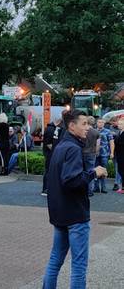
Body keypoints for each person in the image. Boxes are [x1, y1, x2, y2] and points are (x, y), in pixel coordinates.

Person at [42, 110, 108, 289]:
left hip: (60, 214)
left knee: (55, 260)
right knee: (78, 265)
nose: (88, 127)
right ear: (72, 126)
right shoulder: (72, 148)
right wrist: (94, 172)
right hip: (75, 215)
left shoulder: (61, 146)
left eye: (89, 123)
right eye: (84, 123)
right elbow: (72, 180)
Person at [42, 118, 63, 195]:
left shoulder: (51, 128)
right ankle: (46, 188)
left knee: (49, 171)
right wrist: (56, 151)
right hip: (50, 154)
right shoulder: (51, 129)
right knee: (48, 171)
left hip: (50, 153)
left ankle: (47, 188)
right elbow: (48, 144)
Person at [95, 118, 114, 194]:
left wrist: (112, 152)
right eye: (99, 122)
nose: (101, 124)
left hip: (104, 154)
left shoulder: (108, 131)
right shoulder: (93, 130)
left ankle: (104, 187)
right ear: (97, 123)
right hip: (95, 155)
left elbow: (111, 142)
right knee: (95, 170)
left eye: (102, 122)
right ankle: (96, 187)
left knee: (104, 171)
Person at [82, 116, 99, 197]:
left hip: (82, 153)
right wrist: (97, 152)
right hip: (92, 153)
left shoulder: (83, 131)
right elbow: (98, 144)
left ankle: (83, 189)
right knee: (91, 171)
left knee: (82, 171)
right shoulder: (96, 132)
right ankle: (90, 191)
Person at [114, 119, 124, 194]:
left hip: (122, 155)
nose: (118, 125)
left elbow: (120, 142)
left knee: (122, 171)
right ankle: (122, 187)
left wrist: (115, 139)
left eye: (121, 124)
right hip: (119, 154)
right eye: (118, 124)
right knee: (121, 171)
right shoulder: (119, 132)